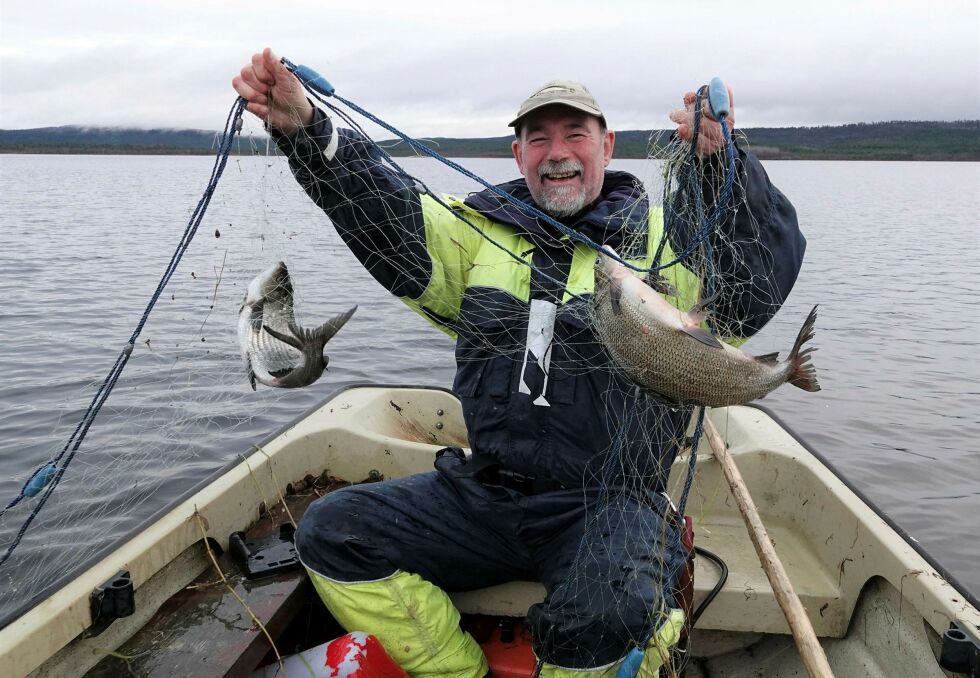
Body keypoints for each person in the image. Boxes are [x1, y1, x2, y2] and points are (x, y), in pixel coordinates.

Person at [233, 48, 805, 677]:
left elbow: (755, 281)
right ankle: (458, 672)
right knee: (331, 532)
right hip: (486, 493)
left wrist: (723, 164)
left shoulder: (670, 245)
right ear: (518, 156)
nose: (556, 152)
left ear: (607, 145)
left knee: (618, 605)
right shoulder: (471, 234)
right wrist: (305, 127)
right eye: (538, 138)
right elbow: (380, 206)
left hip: (612, 503)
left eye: (575, 134)